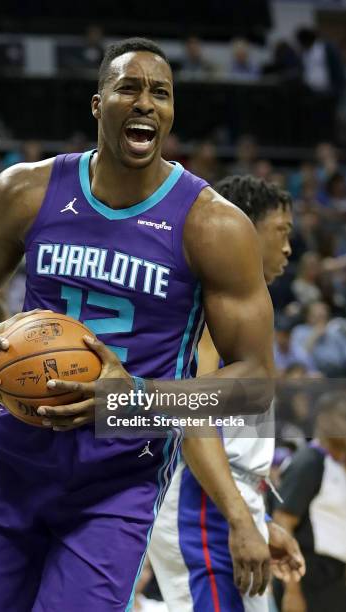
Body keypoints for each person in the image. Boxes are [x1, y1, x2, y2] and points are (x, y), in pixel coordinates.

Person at [0, 38, 275, 611]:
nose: (146, 103)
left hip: (119, 477)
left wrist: (136, 401)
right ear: (98, 105)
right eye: (129, 88)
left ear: (170, 113)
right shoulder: (26, 190)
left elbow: (254, 383)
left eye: (161, 93)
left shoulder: (212, 225)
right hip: (12, 459)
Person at [148, 176, 305, 612]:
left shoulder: (246, 312)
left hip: (223, 497)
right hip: (203, 503)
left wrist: (260, 517)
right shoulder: (213, 309)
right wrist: (239, 517)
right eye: (282, 231)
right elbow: (191, 412)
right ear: (242, 229)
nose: (289, 248)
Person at [273, 391, 346, 612]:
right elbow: (281, 525)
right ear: (324, 419)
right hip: (309, 581)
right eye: (343, 416)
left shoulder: (334, 464)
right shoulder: (309, 462)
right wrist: (291, 592)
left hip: (334, 581)